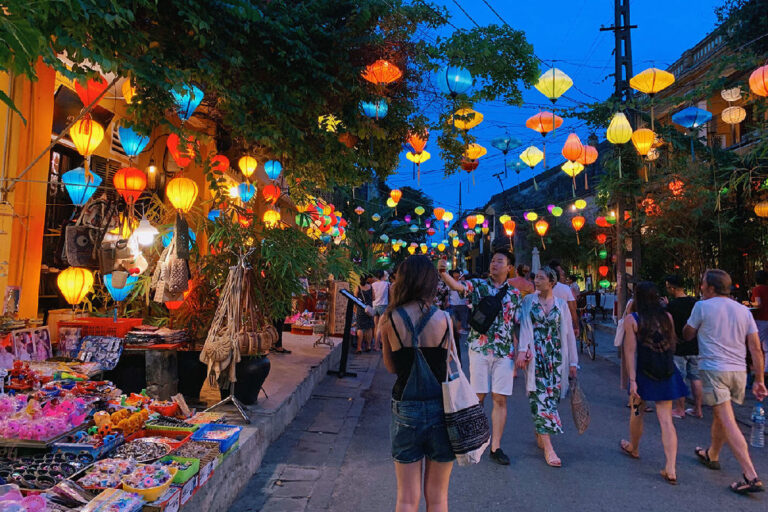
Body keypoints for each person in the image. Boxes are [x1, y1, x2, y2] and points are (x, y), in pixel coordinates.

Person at [379, 255, 454, 512]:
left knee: (407, 499)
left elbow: (391, 368)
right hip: (442, 409)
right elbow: (452, 367)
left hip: (406, 408)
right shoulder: (444, 319)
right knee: (438, 497)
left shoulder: (389, 319)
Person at [683, 269, 767, 494]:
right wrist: (759, 379)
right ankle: (713, 454)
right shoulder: (743, 311)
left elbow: (688, 334)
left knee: (728, 420)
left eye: (702, 284)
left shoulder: (702, 307)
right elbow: (756, 348)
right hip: (738, 372)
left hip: (714, 370)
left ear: (710, 288)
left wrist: (689, 327)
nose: (701, 288)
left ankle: (750, 474)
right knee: (722, 416)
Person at [438, 248, 521, 466]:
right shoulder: (478, 286)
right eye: (492, 261)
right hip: (480, 349)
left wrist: (519, 350)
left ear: (509, 267)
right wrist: (443, 273)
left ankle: (496, 446)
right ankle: (474, 440)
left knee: (500, 398)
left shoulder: (514, 294)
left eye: (499, 261)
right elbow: (457, 286)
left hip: (504, 353)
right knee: (479, 397)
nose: (494, 264)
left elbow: (513, 325)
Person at [620, 281, 687, 485]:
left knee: (637, 411)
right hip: (666, 369)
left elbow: (630, 351)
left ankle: (634, 447)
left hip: (644, 371)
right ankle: (671, 467)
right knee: (666, 419)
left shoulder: (632, 319)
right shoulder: (667, 316)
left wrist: (632, 380)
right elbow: (672, 342)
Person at [516, 267, 578, 468]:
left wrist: (573, 363)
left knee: (551, 397)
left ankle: (540, 429)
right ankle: (550, 448)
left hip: (556, 357)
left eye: (542, 278)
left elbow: (568, 335)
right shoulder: (528, 301)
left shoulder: (561, 305)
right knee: (539, 396)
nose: (537, 281)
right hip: (536, 357)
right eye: (536, 278)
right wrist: (522, 350)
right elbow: (525, 326)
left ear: (552, 282)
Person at [662, 275, 702, 419]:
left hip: (678, 346)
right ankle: (698, 409)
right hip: (695, 345)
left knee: (680, 378)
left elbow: (667, 325)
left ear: (672, 288)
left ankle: (680, 409)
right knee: (696, 378)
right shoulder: (695, 303)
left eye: (668, 286)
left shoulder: (672, 306)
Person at [548, 260, 579, 337]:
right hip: (564, 324)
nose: (562, 272)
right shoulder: (565, 288)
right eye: (560, 270)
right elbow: (573, 309)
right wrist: (576, 326)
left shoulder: (543, 288)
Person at [750, 270, 768, 371]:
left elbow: (758, 304)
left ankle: (756, 369)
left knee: (756, 345)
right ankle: (766, 369)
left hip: (760, 319)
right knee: (767, 346)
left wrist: (748, 303)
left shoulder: (757, 289)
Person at [355, 275, 375, 353]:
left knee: (360, 328)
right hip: (369, 309)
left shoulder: (358, 287)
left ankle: (359, 347)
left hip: (360, 309)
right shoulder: (371, 287)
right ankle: (368, 346)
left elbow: (355, 298)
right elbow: (374, 298)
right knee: (369, 328)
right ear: (367, 279)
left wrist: (355, 308)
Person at [372, 270, 390, 351]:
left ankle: (377, 343)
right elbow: (390, 296)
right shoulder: (387, 284)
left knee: (376, 326)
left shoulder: (373, 285)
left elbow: (372, 296)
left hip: (374, 306)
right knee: (381, 327)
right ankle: (376, 345)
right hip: (383, 306)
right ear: (383, 276)